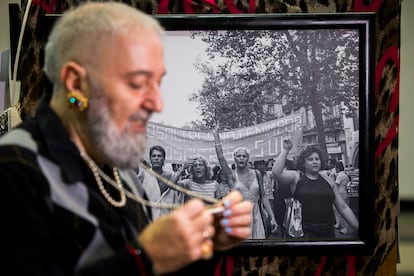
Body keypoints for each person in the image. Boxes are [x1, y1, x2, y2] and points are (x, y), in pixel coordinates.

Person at [0, 2, 253, 275]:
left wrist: (205, 246)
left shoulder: (122, 171)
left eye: (157, 83)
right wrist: (145, 257)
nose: (156, 103)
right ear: (76, 84)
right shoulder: (14, 169)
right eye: (137, 83)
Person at [272, 139, 358, 239]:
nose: (315, 162)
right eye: (310, 159)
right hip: (304, 233)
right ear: (303, 163)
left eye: (317, 159)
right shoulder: (296, 177)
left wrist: (357, 226)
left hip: (328, 232)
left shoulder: (329, 180)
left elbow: (343, 207)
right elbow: (277, 172)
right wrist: (285, 150)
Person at [213, 123, 278, 239]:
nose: (241, 158)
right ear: (235, 158)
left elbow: (263, 197)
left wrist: (272, 217)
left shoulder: (257, 173)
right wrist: (216, 138)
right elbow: (221, 158)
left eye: (244, 156)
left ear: (248, 158)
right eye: (239, 156)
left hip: (256, 215)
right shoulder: (232, 175)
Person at [334, 161, 351, 235]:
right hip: (344, 193)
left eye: (335, 167)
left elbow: (336, 185)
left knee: (342, 212)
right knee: (340, 211)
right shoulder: (345, 175)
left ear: (337, 168)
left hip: (341, 194)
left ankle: (345, 229)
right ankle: (339, 225)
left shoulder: (340, 176)